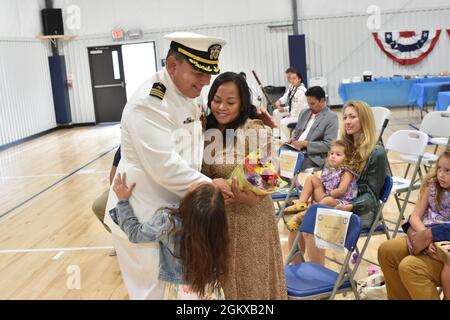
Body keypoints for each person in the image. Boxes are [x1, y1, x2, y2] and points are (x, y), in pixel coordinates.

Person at [103, 32, 232, 300]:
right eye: (199, 72)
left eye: (209, 73)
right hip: (145, 216)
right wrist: (210, 186)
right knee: (154, 294)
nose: (206, 81)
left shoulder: (184, 90)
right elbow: (164, 166)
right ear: (173, 66)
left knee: (177, 294)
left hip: (174, 212)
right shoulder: (149, 105)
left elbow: (187, 147)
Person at [202, 72, 287, 299]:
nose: (222, 107)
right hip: (217, 221)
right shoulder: (203, 131)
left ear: (242, 105)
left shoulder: (254, 130)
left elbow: (271, 175)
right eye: (217, 100)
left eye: (230, 102)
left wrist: (253, 198)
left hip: (253, 220)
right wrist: (210, 184)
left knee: (253, 282)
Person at [109, 173, 229, 300]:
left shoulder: (168, 222)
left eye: (199, 184)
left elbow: (135, 233)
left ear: (191, 201)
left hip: (181, 293)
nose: (199, 180)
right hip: (209, 289)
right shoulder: (216, 226)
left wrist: (123, 203)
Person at [300, 100, 388, 264]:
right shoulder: (343, 147)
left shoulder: (377, 153)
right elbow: (331, 178)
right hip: (336, 202)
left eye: (353, 117)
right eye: (345, 117)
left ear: (364, 120)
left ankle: (316, 277)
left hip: (361, 211)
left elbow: (372, 196)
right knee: (299, 222)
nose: (347, 121)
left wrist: (350, 205)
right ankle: (299, 269)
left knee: (310, 224)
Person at [378, 149, 450, 300]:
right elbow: (414, 217)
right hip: (425, 233)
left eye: (448, 171)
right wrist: (424, 234)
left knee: (409, 266)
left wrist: (430, 237)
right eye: (439, 169)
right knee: (387, 250)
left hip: (444, 243)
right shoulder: (432, 185)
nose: (441, 175)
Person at [285, 140, 358, 230]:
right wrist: (320, 185)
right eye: (331, 153)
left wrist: (327, 194)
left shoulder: (346, 173)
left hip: (340, 203)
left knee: (327, 200)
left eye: (338, 155)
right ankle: (301, 203)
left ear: (347, 159)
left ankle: (304, 215)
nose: (333, 156)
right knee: (312, 178)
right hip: (326, 197)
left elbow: (341, 191)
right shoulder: (331, 169)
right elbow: (324, 183)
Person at [287, 86, 338, 170]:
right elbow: (296, 132)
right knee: (278, 156)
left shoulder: (331, 117)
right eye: (308, 103)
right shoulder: (304, 112)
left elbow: (329, 145)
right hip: (296, 149)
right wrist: (293, 139)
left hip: (312, 156)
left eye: (313, 103)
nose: (310, 106)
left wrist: (306, 144)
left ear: (322, 101)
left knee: (291, 165)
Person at [92, 146, 121, 234]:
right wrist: (115, 196)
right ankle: (121, 239)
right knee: (98, 205)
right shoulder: (124, 146)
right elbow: (114, 171)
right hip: (123, 188)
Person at [278, 71, 308, 141]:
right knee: (281, 117)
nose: (291, 81)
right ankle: (284, 138)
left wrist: (289, 114)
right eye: (291, 79)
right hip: (296, 114)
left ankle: (286, 141)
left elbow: (297, 109)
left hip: (300, 117)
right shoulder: (295, 88)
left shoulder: (300, 92)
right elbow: (294, 106)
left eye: (294, 78)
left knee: (283, 122)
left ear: (299, 79)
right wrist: (285, 110)